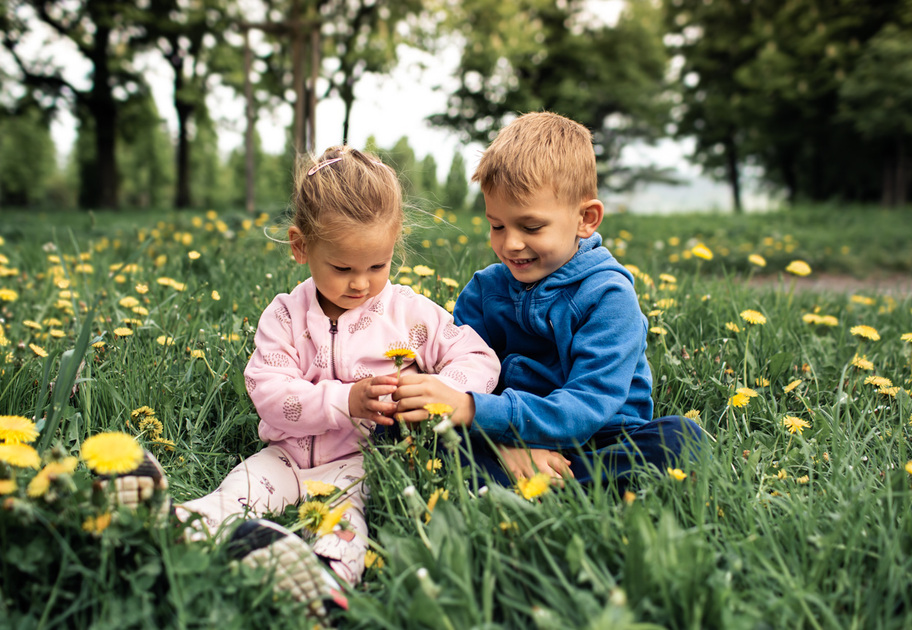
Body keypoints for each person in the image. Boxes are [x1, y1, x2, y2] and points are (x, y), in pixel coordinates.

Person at [113, 146, 500, 616]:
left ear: (395, 244)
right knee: (238, 492)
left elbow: (477, 354)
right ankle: (170, 520)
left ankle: (325, 581)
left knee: (345, 522)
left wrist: (446, 391)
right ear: (301, 246)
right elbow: (269, 393)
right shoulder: (284, 316)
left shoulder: (409, 314)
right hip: (285, 455)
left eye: (377, 266)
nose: (361, 283)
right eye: (343, 268)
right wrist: (345, 401)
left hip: (356, 466)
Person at [393, 112, 703, 488]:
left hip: (599, 439)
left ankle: (539, 482)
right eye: (497, 226)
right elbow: (461, 379)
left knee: (681, 440)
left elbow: (587, 406)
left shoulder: (609, 297)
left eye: (531, 227)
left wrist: (478, 413)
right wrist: (504, 441)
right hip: (498, 435)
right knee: (406, 424)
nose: (510, 244)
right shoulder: (483, 293)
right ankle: (523, 477)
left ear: (586, 219)